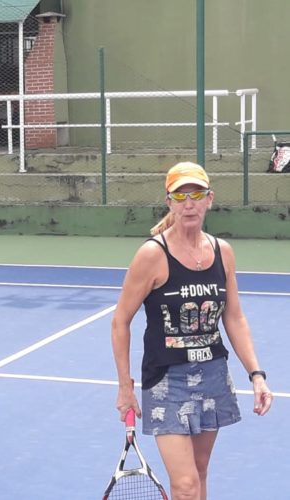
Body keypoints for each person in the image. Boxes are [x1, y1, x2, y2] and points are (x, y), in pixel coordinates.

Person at [111, 162, 272, 500]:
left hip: (213, 375)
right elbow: (120, 321)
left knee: (199, 473)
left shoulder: (222, 252)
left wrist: (256, 374)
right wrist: (125, 386)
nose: (189, 204)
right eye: (180, 196)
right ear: (169, 202)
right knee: (185, 485)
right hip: (167, 381)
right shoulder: (152, 255)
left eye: (196, 195)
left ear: (209, 199)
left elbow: (234, 317)